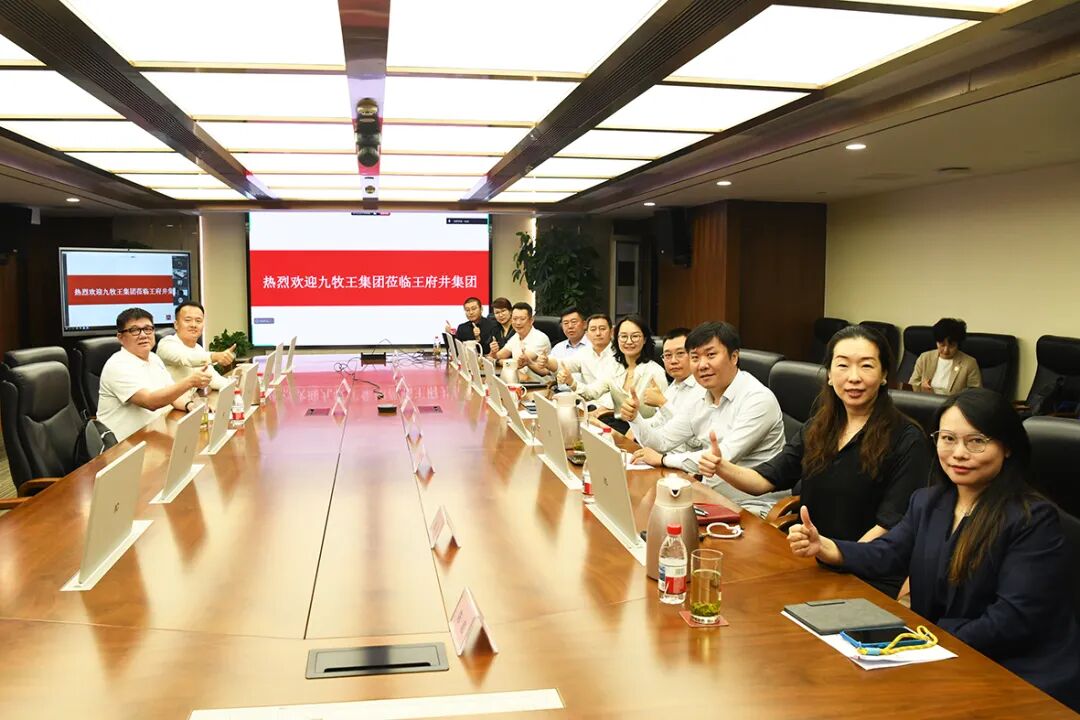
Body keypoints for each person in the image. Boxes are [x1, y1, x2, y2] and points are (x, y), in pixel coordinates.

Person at [788, 388, 1080, 711]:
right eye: (948, 439)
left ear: (1007, 447)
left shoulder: (1032, 519)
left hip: (1017, 673)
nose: (959, 453)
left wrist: (929, 638)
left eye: (976, 441)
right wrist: (827, 547)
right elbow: (889, 553)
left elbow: (1013, 618)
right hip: (947, 656)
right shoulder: (928, 502)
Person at [700, 324, 931, 596]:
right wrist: (722, 467)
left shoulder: (907, 439)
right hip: (812, 561)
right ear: (830, 375)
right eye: (842, 365)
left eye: (866, 366)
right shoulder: (819, 427)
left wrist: (835, 554)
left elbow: (889, 525)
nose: (853, 377)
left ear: (883, 376)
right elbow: (765, 480)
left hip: (867, 574)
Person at [625, 322, 788, 516]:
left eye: (711, 355)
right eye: (695, 357)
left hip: (753, 507)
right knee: (641, 513)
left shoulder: (758, 399)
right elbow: (662, 442)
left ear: (734, 357)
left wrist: (663, 459)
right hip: (709, 498)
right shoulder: (699, 396)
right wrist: (635, 418)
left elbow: (721, 457)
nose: (702, 365)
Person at [97, 307, 212, 442]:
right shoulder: (117, 365)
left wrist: (190, 405)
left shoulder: (154, 358)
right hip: (124, 445)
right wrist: (190, 382)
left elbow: (172, 395)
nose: (143, 335)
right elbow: (150, 402)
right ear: (120, 338)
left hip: (153, 434)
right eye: (134, 330)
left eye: (148, 329)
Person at [596, 314, 667, 433]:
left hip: (646, 431)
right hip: (619, 425)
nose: (629, 341)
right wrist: (571, 382)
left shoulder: (656, 372)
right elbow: (594, 391)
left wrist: (639, 429)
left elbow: (663, 415)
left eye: (635, 336)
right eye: (624, 336)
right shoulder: (614, 367)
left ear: (645, 339)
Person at [157, 300, 232, 391]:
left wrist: (236, 386)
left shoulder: (198, 349)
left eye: (198, 321)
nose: (193, 325)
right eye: (188, 320)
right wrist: (214, 356)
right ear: (176, 325)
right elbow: (187, 358)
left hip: (192, 399)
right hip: (171, 400)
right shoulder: (166, 344)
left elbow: (214, 379)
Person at [550, 313, 618, 410]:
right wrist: (546, 361)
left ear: (611, 332)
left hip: (609, 410)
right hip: (585, 405)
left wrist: (600, 411)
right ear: (587, 335)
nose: (598, 333)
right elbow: (563, 364)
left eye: (602, 329)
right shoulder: (584, 353)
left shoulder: (619, 356)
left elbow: (617, 395)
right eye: (593, 329)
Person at [910, 317, 981, 395]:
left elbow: (976, 394)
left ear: (958, 344)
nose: (946, 350)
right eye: (942, 345)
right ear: (936, 342)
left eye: (951, 346)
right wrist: (921, 386)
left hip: (955, 402)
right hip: (926, 400)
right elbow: (912, 384)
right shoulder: (924, 358)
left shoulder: (969, 363)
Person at [495, 301, 552, 381]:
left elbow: (520, 363)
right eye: (515, 319)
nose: (518, 323)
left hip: (539, 384)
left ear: (531, 320)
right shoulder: (516, 336)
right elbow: (498, 356)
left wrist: (498, 361)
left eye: (522, 319)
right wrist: (494, 354)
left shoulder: (540, 338)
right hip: (521, 381)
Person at [549, 307, 590, 390]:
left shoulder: (593, 345)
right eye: (566, 323)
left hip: (586, 394)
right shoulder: (558, 348)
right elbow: (548, 370)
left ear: (584, 324)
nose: (570, 326)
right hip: (561, 394)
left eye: (574, 322)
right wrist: (531, 362)